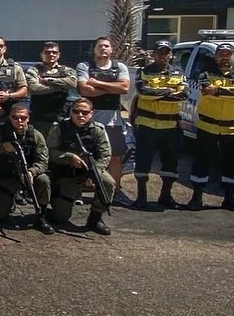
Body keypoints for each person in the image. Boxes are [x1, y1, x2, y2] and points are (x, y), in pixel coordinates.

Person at [188, 43, 234, 214]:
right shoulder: (205, 74)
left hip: (233, 129)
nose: (224, 57)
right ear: (215, 57)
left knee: (232, 165)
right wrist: (230, 92)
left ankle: (230, 199)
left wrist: (217, 91)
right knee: (201, 162)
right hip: (208, 127)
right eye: (221, 54)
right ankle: (196, 198)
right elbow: (206, 90)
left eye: (228, 54)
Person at [132, 40, 188, 209]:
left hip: (170, 126)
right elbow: (143, 92)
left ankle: (166, 195)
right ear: (153, 54)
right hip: (147, 124)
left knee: (170, 162)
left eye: (166, 52)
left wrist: (156, 94)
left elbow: (183, 95)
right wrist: (169, 91)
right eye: (160, 52)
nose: (163, 56)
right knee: (143, 161)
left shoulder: (179, 73)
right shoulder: (144, 72)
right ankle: (141, 197)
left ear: (171, 55)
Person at [47, 98, 115, 235]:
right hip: (66, 172)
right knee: (60, 218)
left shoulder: (98, 130)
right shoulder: (59, 127)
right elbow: (49, 151)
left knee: (108, 182)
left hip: (90, 168)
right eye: (76, 111)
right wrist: (69, 157)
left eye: (85, 112)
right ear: (70, 112)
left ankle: (95, 219)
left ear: (91, 113)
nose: (80, 115)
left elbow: (105, 154)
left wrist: (94, 173)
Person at [76, 36, 131, 206]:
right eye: (100, 46)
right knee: (84, 156)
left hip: (113, 120)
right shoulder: (84, 66)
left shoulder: (119, 67)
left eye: (107, 46)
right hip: (88, 119)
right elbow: (85, 90)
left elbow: (124, 88)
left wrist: (97, 83)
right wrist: (112, 88)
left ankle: (115, 191)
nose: (103, 48)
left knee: (115, 157)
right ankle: (78, 191)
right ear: (94, 49)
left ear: (112, 49)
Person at [0, 104, 54, 234]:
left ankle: (41, 216)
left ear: (28, 118)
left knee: (44, 180)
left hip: (28, 174)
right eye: (15, 117)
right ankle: (9, 202)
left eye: (23, 118)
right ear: (10, 117)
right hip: (6, 175)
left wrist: (32, 172)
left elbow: (43, 161)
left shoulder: (35, 135)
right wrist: (2, 148)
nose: (19, 121)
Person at [26, 41, 77, 137]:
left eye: (54, 52)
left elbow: (72, 83)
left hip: (60, 117)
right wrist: (60, 87)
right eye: (47, 52)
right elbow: (34, 88)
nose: (51, 54)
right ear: (41, 54)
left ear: (58, 55)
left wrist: (48, 80)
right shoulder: (34, 70)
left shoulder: (67, 70)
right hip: (39, 118)